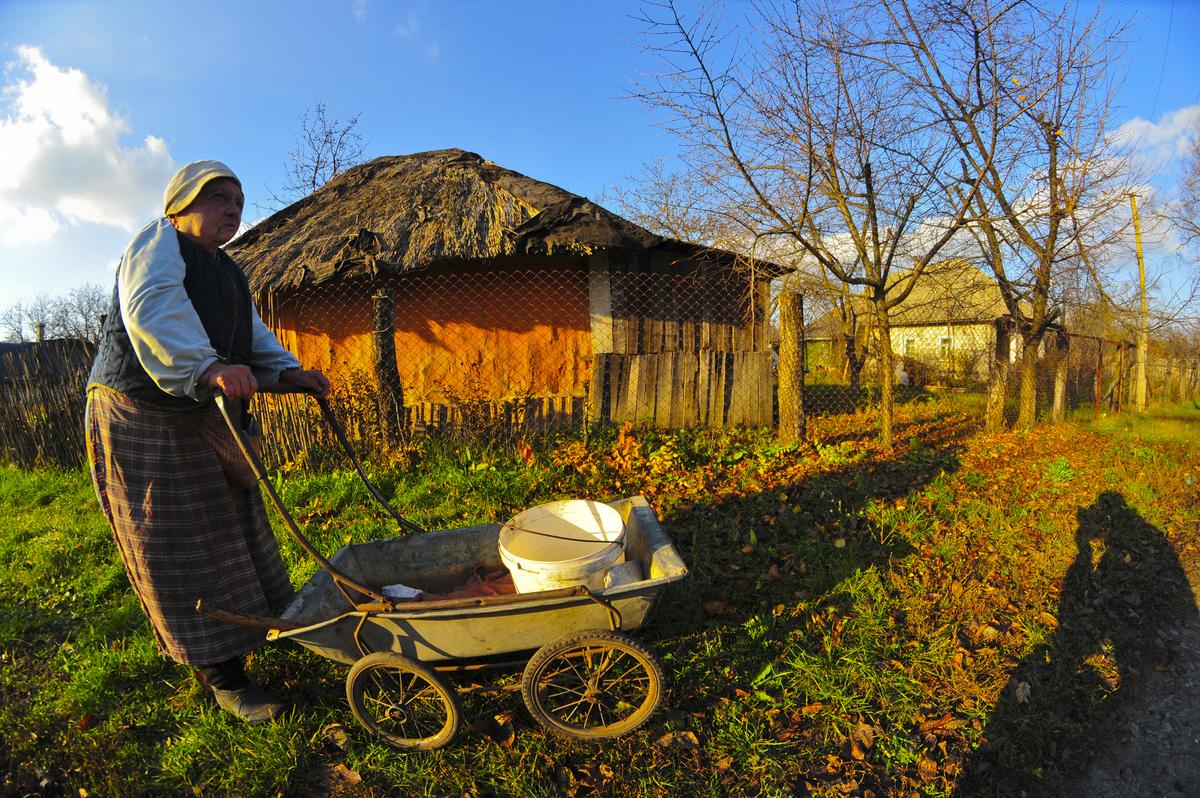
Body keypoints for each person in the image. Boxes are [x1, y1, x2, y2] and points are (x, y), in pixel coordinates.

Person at [86, 161, 330, 724]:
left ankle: (252, 629)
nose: (232, 209)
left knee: (232, 523)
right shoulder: (157, 243)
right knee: (179, 539)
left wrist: (288, 371)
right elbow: (155, 310)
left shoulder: (227, 269)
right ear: (179, 206)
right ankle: (222, 675)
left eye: (238, 201)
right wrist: (206, 366)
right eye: (217, 197)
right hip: (143, 413)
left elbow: (249, 333)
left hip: (198, 405)